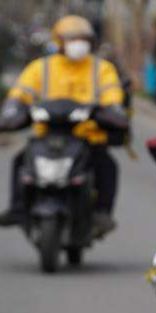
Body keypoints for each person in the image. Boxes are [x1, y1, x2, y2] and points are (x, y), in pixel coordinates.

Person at [0, 15, 127, 235]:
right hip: (46, 135)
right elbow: (20, 94)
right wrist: (12, 110)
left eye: (83, 38)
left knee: (107, 166)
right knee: (20, 162)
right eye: (72, 39)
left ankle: (102, 213)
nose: (78, 44)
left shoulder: (102, 69)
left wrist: (111, 112)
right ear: (59, 41)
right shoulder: (41, 68)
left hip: (87, 138)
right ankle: (18, 208)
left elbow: (112, 97)